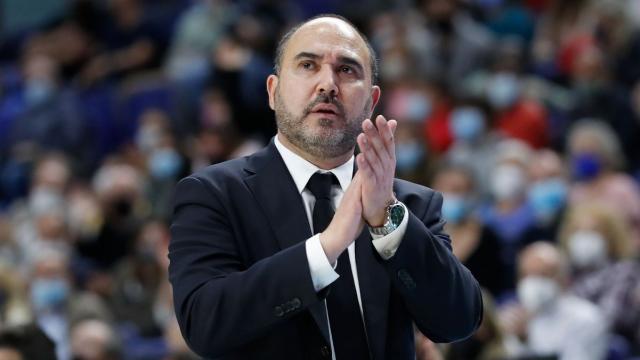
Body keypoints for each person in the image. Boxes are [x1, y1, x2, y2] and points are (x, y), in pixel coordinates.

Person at [169, 14, 482, 359]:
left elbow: (459, 320)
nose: (327, 84)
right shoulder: (214, 194)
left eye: (347, 70)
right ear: (273, 91)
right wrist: (325, 248)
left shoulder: (410, 205)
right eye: (307, 65)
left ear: (372, 101)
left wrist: (387, 220)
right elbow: (204, 323)